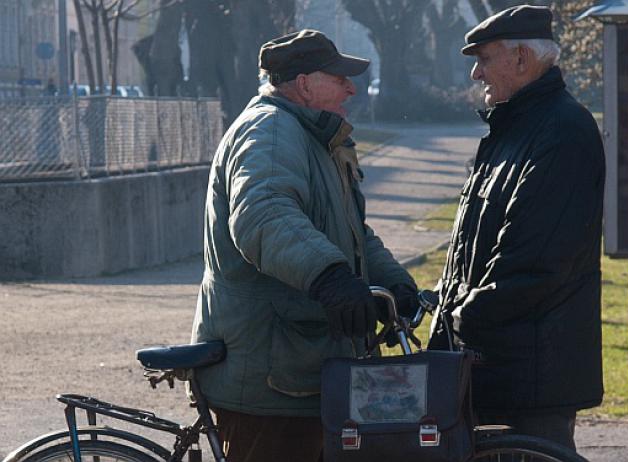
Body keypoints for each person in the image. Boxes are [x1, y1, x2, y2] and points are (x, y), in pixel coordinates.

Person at [190, 29, 418, 462]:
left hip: (304, 365)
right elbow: (264, 216)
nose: (351, 87)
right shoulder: (272, 132)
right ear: (304, 82)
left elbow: (352, 234)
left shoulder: (314, 137)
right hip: (270, 376)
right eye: (339, 77)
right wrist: (331, 278)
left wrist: (398, 285)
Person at [429, 5, 605, 451]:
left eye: (484, 59)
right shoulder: (511, 127)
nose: (475, 74)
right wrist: (442, 307)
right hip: (496, 367)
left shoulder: (563, 131)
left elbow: (534, 263)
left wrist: (460, 317)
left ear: (522, 58)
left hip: (531, 379)